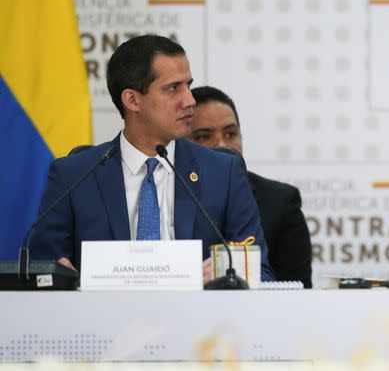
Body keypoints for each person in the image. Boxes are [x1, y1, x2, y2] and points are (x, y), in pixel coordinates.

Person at [30, 35, 275, 283]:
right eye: (173, 88)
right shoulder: (73, 175)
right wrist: (59, 277)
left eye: (188, 85)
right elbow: (38, 269)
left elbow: (260, 273)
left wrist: (226, 276)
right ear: (133, 100)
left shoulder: (223, 173)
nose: (189, 100)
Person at [188, 86, 313, 288]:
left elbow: (299, 289)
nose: (221, 144)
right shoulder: (171, 194)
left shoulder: (281, 202)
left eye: (230, 134)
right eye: (203, 136)